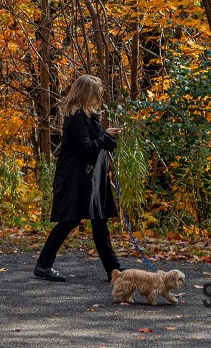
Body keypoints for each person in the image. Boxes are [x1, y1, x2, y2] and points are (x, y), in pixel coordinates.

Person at [33, 74, 124, 282]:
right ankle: (43, 265)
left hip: (89, 179)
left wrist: (109, 136)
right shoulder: (77, 118)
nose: (99, 98)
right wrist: (104, 136)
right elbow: (86, 148)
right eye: (96, 94)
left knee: (99, 222)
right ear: (87, 94)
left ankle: (113, 270)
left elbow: (98, 144)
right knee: (70, 220)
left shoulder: (89, 116)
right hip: (75, 179)